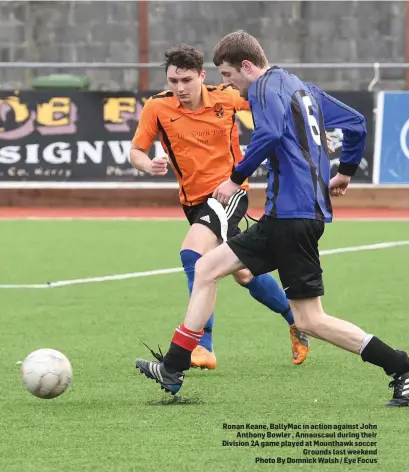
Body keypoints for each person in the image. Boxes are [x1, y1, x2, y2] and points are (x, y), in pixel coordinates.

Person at [135, 31, 409, 407]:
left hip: (291, 217)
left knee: (311, 319)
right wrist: (344, 171)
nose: (228, 84)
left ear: (247, 66)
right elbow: (357, 123)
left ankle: (401, 367)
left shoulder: (264, 87)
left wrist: (234, 178)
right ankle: (175, 365)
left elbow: (271, 131)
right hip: (289, 215)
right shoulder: (301, 88)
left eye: (229, 75)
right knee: (207, 269)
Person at [130, 44, 311, 369]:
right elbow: (136, 151)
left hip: (230, 193)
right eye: (173, 80)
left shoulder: (226, 97)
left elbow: (272, 100)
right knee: (242, 273)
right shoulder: (157, 106)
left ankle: (202, 345)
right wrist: (148, 166)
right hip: (193, 204)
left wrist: (306, 133)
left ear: (202, 75)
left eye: (186, 80)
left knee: (193, 255)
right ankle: (296, 319)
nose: (180, 88)